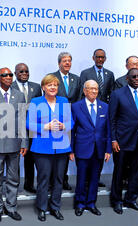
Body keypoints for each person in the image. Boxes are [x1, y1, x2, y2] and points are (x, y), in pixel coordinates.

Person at [0, 67, 28, 223]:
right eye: (5, 75)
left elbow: (22, 121)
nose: (9, 77)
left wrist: (24, 141)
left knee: (13, 178)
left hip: (15, 144)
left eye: (10, 75)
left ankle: (11, 207)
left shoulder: (20, 95)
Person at [27, 74, 73, 221]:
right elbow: (29, 124)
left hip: (61, 147)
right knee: (43, 179)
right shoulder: (35, 101)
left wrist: (64, 126)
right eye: (49, 85)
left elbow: (71, 122)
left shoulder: (64, 101)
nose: (53, 87)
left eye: (55, 85)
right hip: (42, 147)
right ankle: (41, 208)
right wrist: (44, 126)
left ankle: (55, 207)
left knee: (59, 179)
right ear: (43, 87)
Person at [109, 68, 138, 214]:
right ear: (127, 79)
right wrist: (113, 139)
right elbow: (112, 119)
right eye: (133, 76)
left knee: (136, 171)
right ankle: (117, 201)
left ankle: (131, 199)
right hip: (122, 140)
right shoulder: (117, 94)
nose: (137, 79)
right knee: (120, 171)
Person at [70, 80, 111, 217]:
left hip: (99, 149)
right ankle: (80, 204)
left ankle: (91, 203)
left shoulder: (105, 107)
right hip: (82, 148)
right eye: (91, 89)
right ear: (84, 90)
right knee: (81, 178)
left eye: (96, 89)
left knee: (95, 178)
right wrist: (71, 150)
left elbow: (108, 130)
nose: (94, 91)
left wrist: (108, 149)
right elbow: (72, 130)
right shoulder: (76, 107)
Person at [79, 48, 115, 187]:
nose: (100, 59)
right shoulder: (85, 73)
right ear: (93, 58)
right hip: (88, 112)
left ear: (105, 59)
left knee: (99, 147)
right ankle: (86, 180)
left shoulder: (109, 74)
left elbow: (111, 94)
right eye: (98, 57)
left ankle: (95, 178)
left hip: (102, 112)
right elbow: (82, 94)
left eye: (102, 57)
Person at [50, 52, 81, 190]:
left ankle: (63, 179)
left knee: (67, 150)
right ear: (59, 63)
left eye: (69, 60)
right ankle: (52, 181)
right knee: (54, 151)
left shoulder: (76, 79)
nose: (67, 63)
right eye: (64, 61)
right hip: (55, 120)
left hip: (71, 119)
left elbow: (79, 98)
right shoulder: (52, 78)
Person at [11, 63, 42, 194]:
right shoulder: (10, 86)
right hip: (14, 127)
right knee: (14, 158)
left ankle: (29, 184)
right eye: (21, 71)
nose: (24, 74)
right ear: (15, 73)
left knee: (30, 158)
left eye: (26, 71)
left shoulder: (36, 87)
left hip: (31, 128)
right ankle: (14, 185)